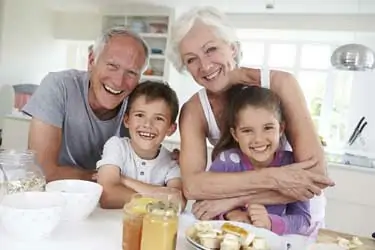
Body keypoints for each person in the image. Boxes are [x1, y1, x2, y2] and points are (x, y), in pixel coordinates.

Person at [166, 6, 334, 225]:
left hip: (291, 217)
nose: (205, 66)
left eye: (211, 49)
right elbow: (193, 186)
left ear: (233, 48)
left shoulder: (281, 84)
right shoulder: (194, 111)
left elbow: (315, 176)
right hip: (236, 218)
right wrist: (276, 177)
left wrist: (234, 199)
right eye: (191, 59)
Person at [22, 26, 149, 182]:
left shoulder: (139, 104)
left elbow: (147, 167)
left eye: (131, 72)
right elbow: (41, 171)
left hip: (109, 198)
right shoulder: (58, 86)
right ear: (91, 61)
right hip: (55, 194)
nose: (118, 82)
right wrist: (103, 177)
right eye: (112, 66)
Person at [209, 85, 310, 236]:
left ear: (281, 129)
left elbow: (303, 221)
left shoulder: (291, 165)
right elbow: (202, 207)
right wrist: (230, 214)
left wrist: (270, 223)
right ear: (235, 134)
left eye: (268, 128)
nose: (258, 139)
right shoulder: (226, 162)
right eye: (247, 131)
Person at [97, 81, 185, 210]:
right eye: (140, 115)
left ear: (171, 129)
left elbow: (178, 203)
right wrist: (160, 196)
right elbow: (108, 196)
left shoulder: (171, 162)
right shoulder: (116, 146)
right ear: (127, 120)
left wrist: (124, 181)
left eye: (159, 118)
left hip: (152, 228)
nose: (147, 124)